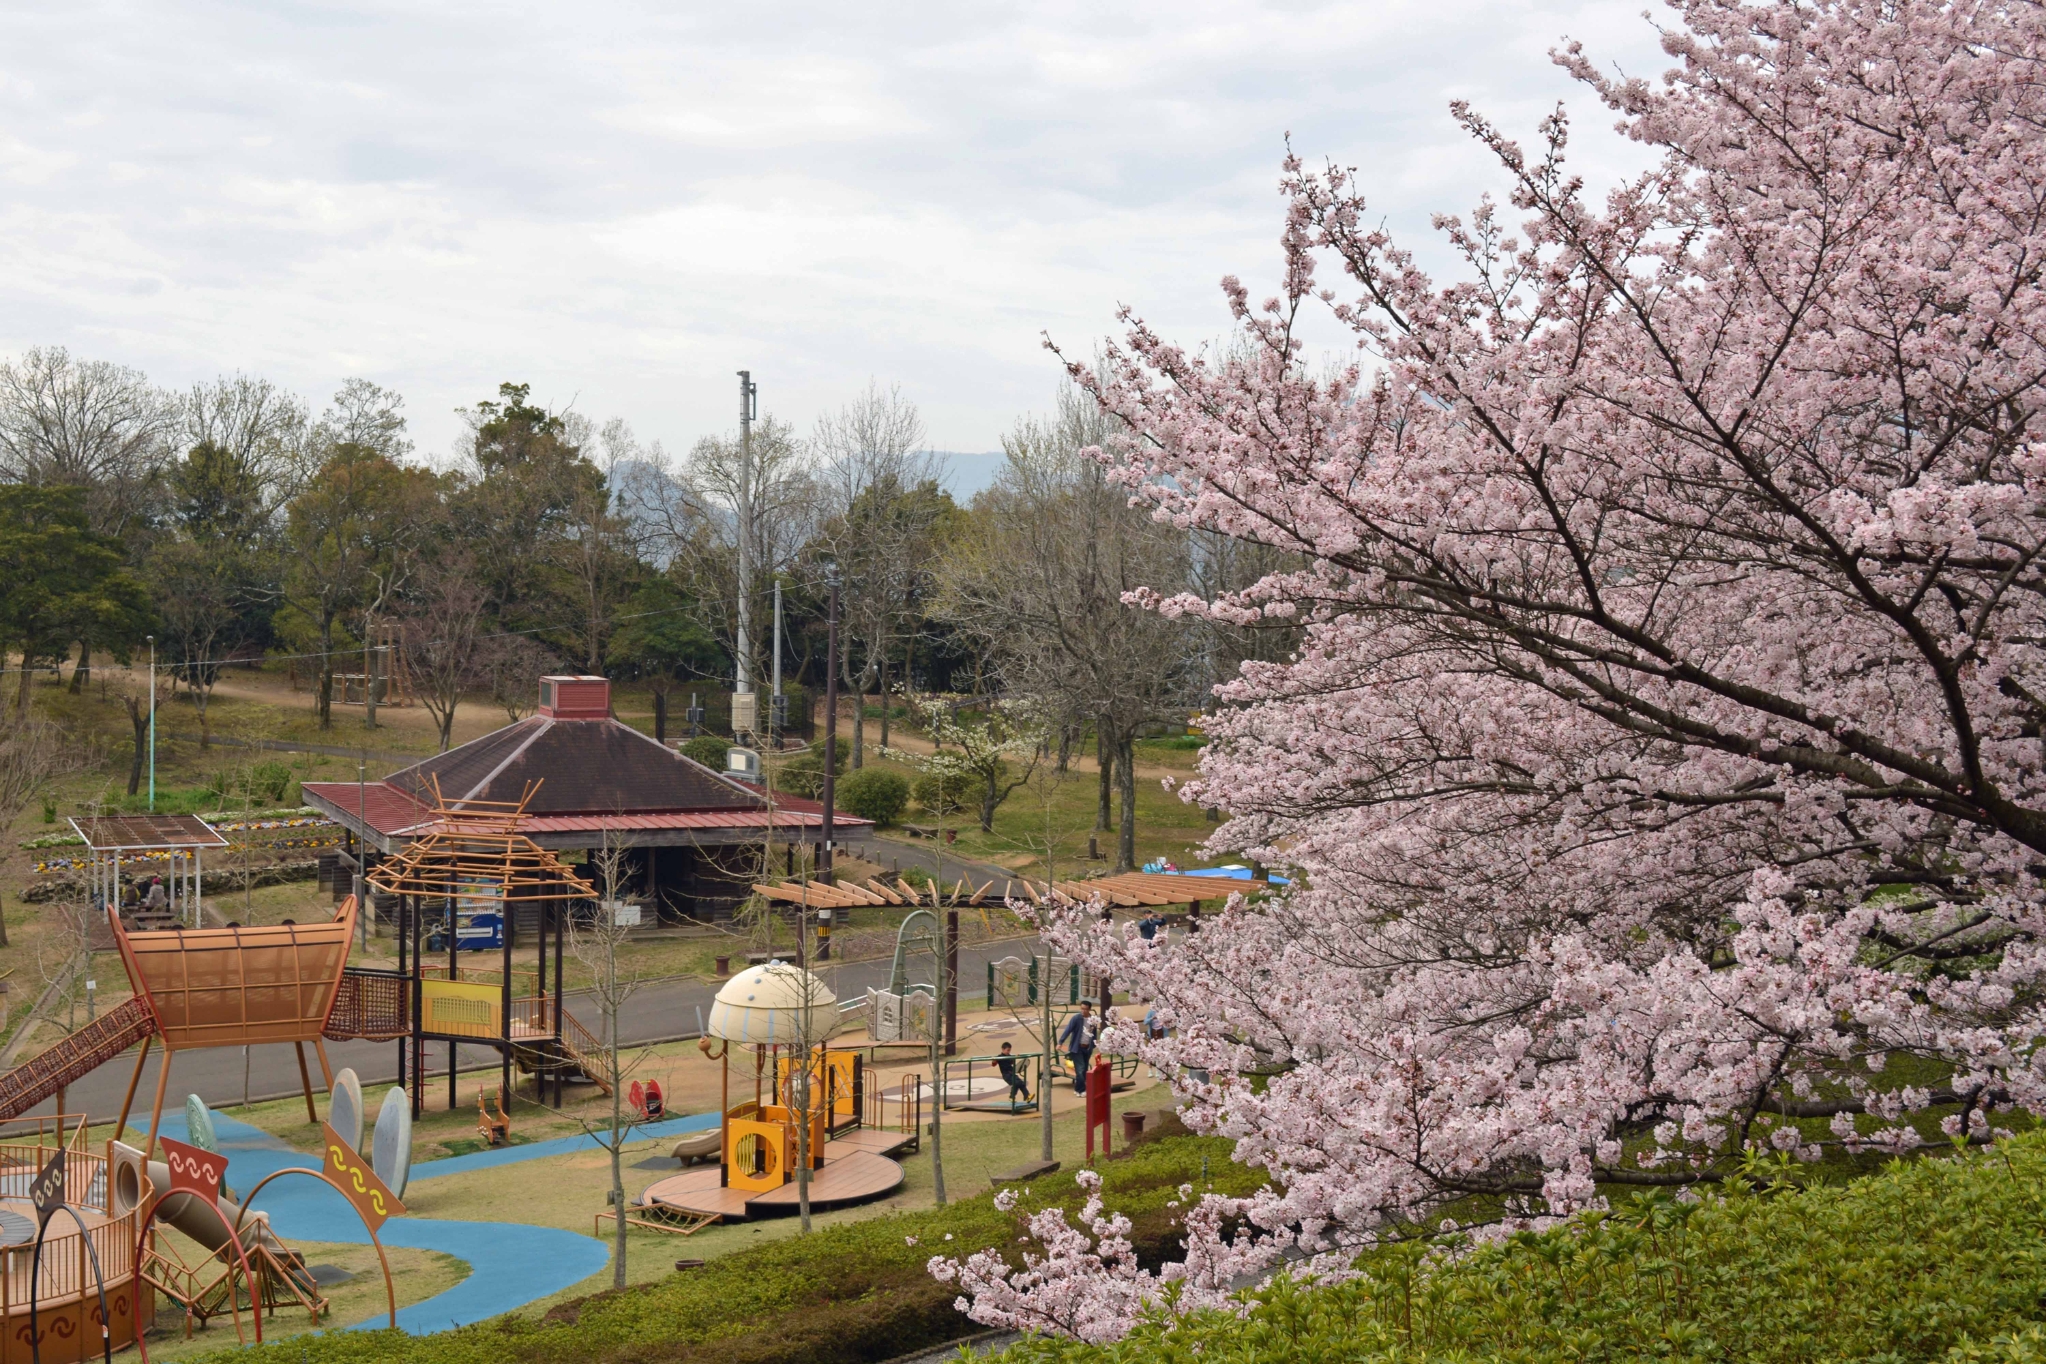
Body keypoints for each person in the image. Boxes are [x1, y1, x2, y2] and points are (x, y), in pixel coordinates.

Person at [1058, 1002, 1096, 1094]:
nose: (1083, 1011)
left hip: (1087, 1048)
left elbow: (1093, 1034)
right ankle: (1081, 1090)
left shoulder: (1093, 1020)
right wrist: (1060, 1042)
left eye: (1085, 1009)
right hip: (1077, 1048)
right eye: (1082, 1008)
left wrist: (1094, 1044)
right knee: (1080, 1068)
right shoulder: (1076, 1018)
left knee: (1084, 1070)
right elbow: (1068, 1030)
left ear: (1089, 1009)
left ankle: (1078, 1089)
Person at [995, 1041, 1030, 1107]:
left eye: (1009, 1050)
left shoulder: (1009, 1056)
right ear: (1003, 1049)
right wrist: (994, 1060)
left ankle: (1027, 1096)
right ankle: (1011, 1097)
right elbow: (993, 1064)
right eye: (1007, 1050)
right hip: (1006, 1075)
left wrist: (1015, 1057)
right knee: (1016, 1083)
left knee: (1021, 1083)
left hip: (1012, 1073)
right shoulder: (999, 1057)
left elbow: (1012, 1062)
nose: (1009, 1052)